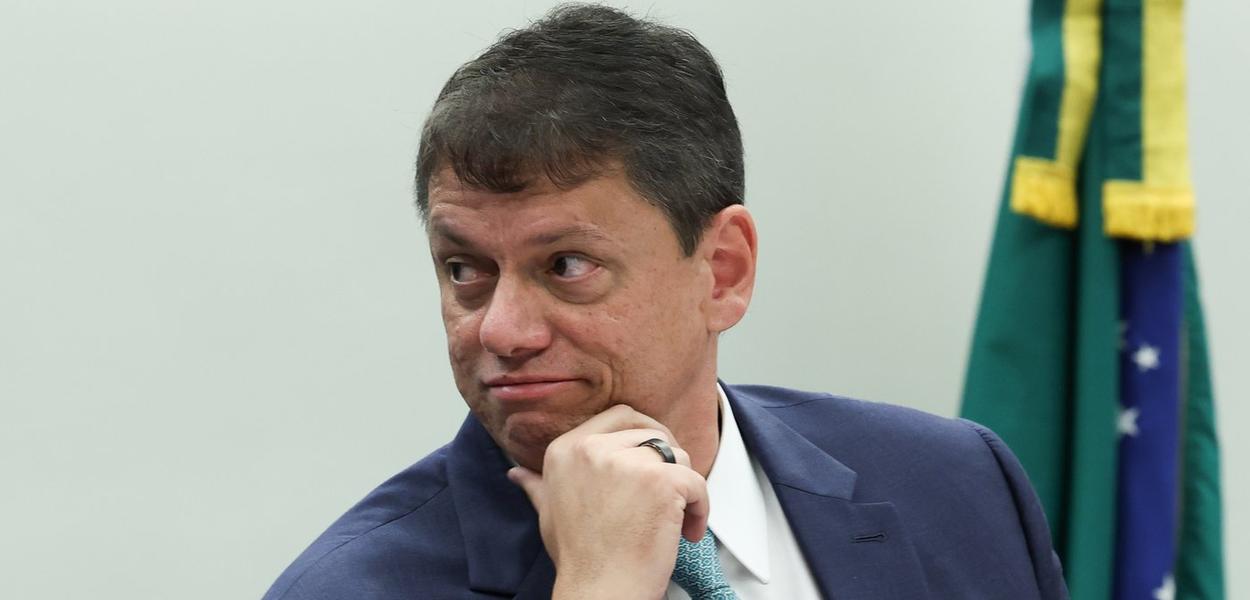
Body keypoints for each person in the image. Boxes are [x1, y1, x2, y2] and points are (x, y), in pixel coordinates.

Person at [262, 4, 1068, 599]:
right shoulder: (346, 590)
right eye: (465, 270)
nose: (500, 331)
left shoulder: (958, 485)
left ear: (722, 271)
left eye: (566, 265)